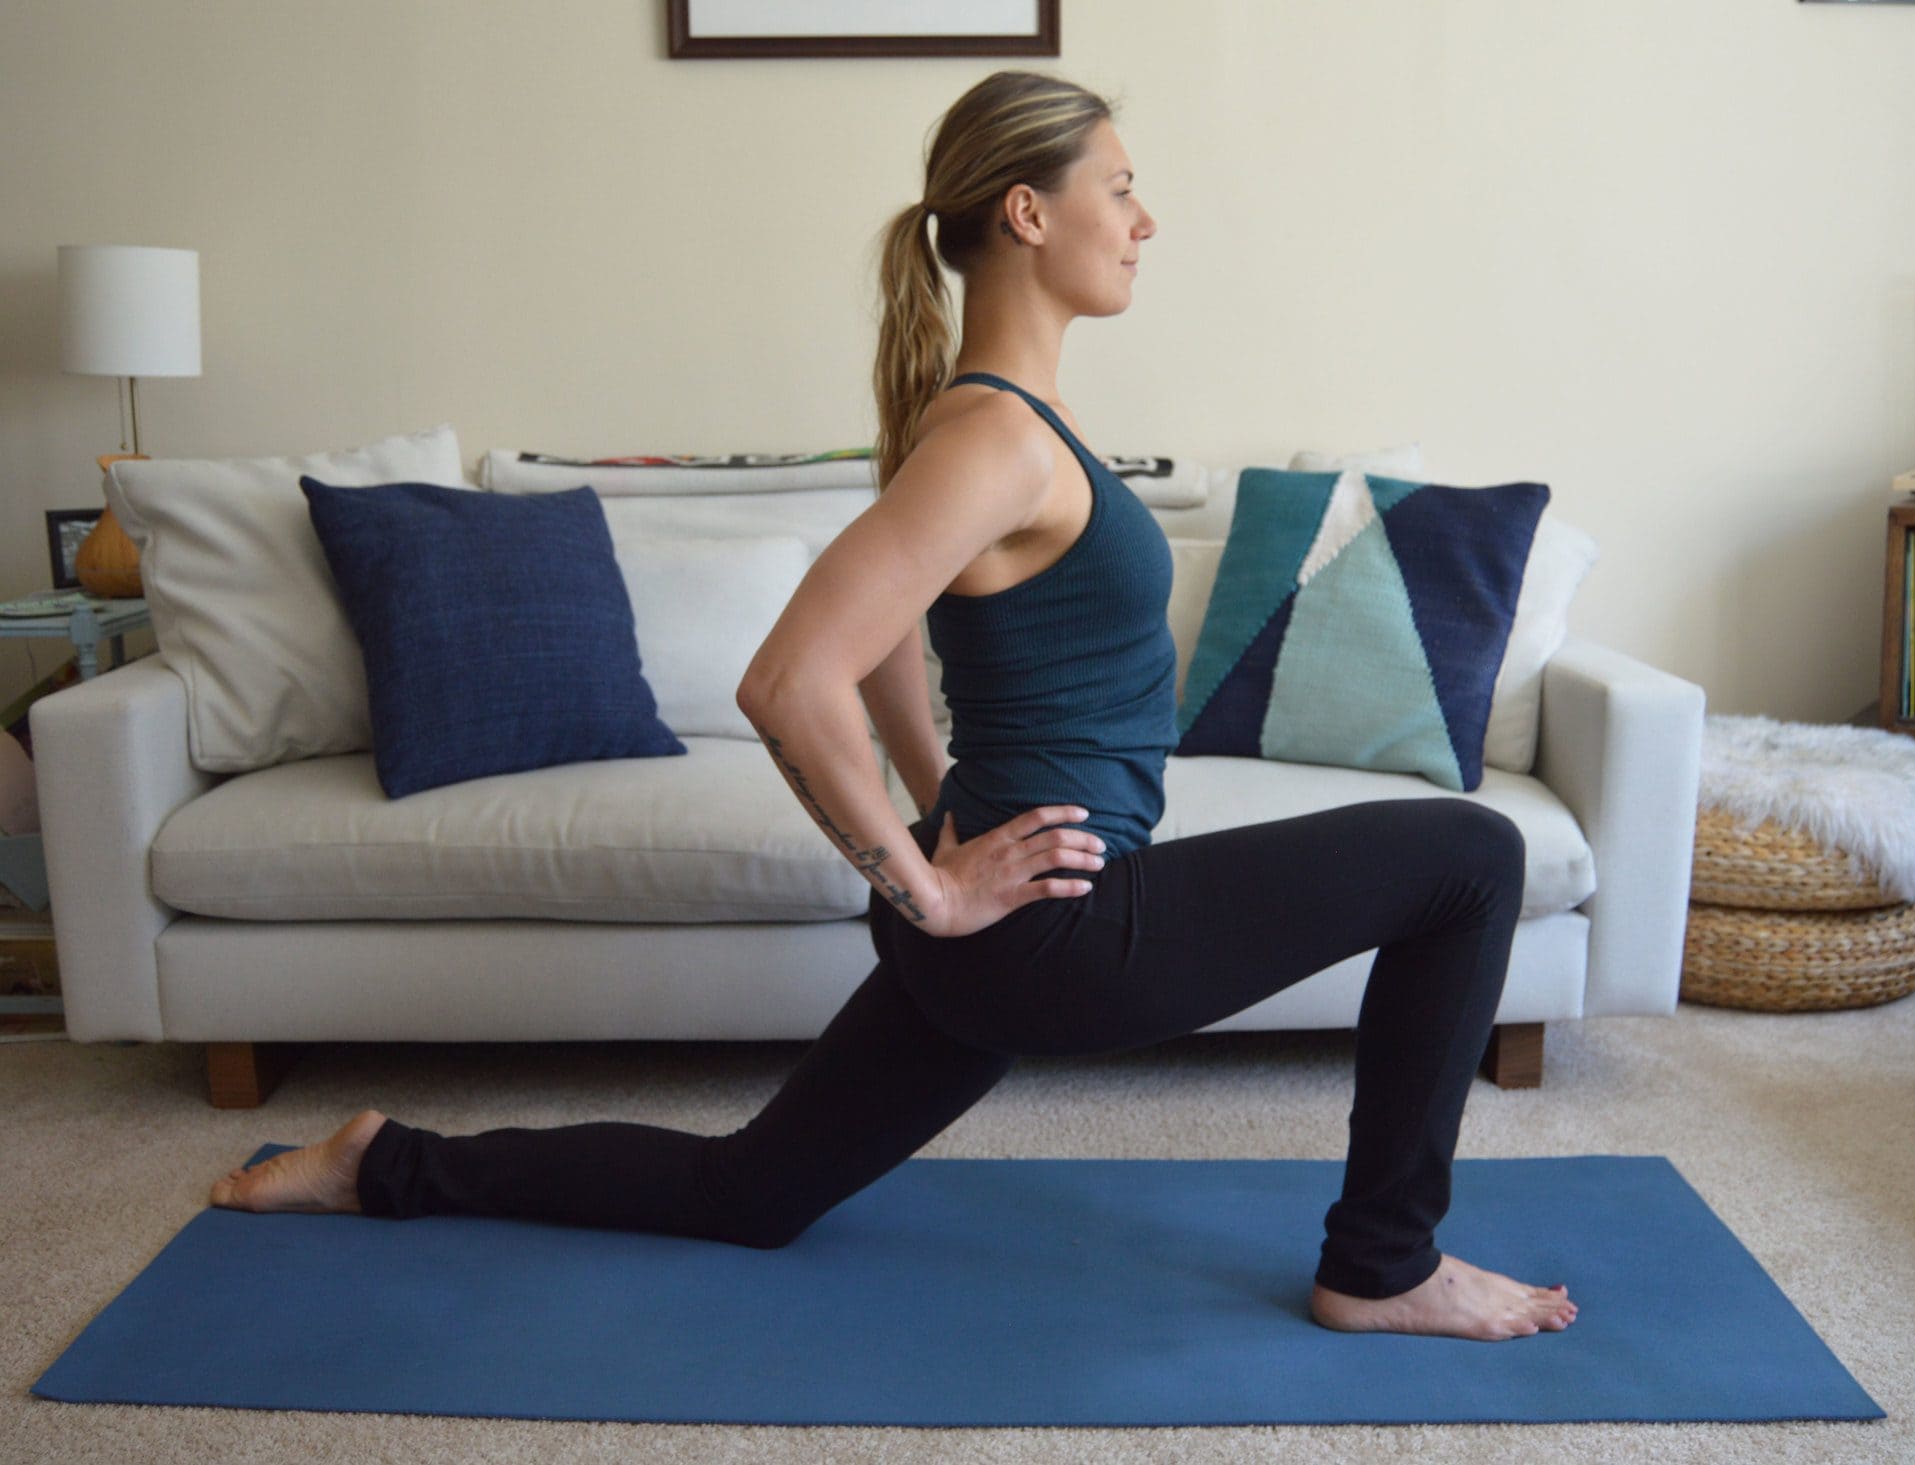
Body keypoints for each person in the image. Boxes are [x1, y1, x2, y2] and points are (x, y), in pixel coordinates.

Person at [209, 69, 1576, 1344]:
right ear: (1029, 212)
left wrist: (938, 815)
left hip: (1010, 925)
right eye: (1120, 186)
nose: (1145, 220)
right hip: (1057, 934)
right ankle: (1383, 1260)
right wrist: (926, 884)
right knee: (1470, 857)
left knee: (750, 1193)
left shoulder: (993, 423)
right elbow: (788, 677)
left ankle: (381, 1161)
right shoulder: (993, 439)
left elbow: (877, 652)